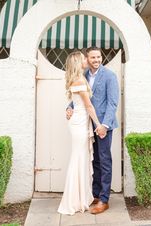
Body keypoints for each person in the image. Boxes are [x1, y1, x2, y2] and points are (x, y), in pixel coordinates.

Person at [67, 47, 119, 214]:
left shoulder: (110, 76)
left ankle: (104, 199)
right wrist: (69, 107)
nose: (96, 60)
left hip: (103, 125)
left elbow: (112, 103)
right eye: (92, 57)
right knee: (95, 160)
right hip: (86, 124)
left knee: (104, 160)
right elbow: (80, 97)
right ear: (87, 59)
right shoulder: (84, 75)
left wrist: (104, 125)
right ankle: (96, 195)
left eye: (98, 57)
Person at [58, 51, 104, 215]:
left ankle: (81, 198)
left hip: (80, 122)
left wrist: (70, 108)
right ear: (79, 62)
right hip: (79, 124)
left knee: (82, 159)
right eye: (84, 58)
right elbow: (88, 106)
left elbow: (75, 103)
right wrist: (98, 125)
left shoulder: (79, 78)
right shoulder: (79, 80)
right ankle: (73, 201)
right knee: (78, 159)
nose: (87, 60)